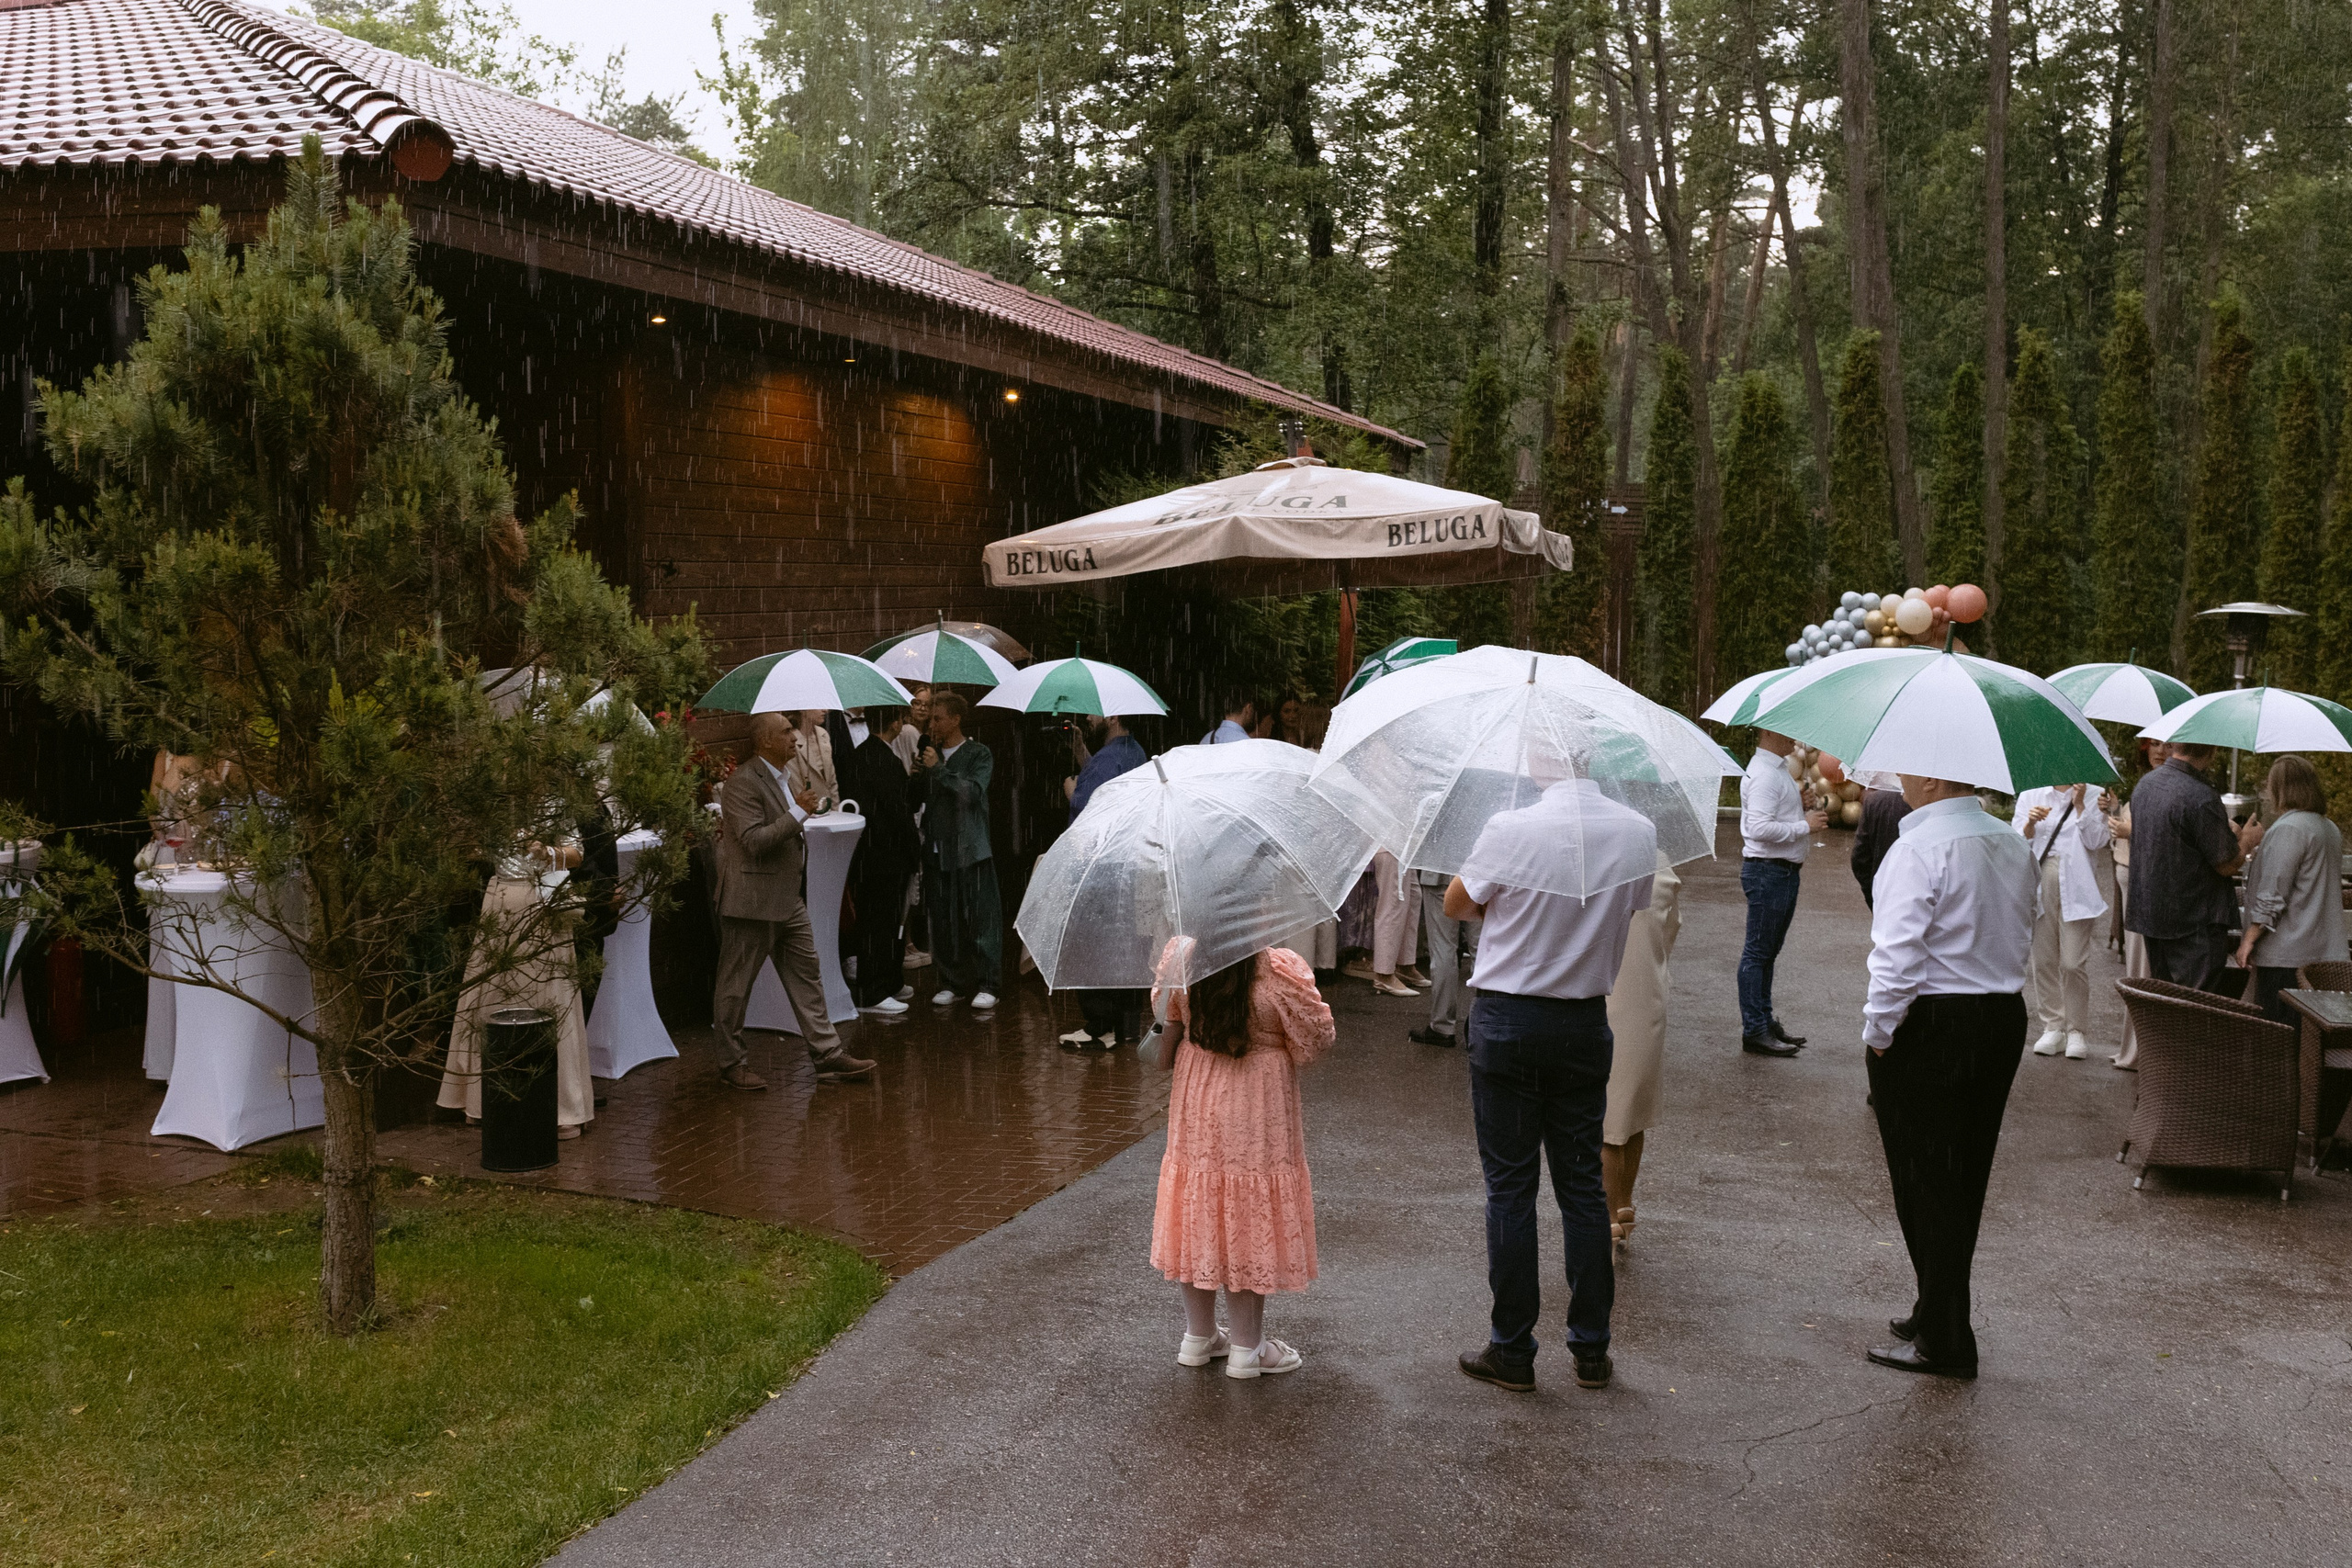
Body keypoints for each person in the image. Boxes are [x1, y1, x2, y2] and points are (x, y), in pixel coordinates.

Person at [1447, 774, 1657, 1395]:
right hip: (1584, 1019)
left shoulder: (1509, 828)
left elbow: (1457, 901)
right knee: (1583, 1188)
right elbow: (1627, 905)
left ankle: (1512, 1348)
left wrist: (1508, 898)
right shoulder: (1636, 832)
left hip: (1509, 1017)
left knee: (1510, 1187)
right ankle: (1591, 1348)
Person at [1860, 773, 2038, 1380]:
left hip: (1932, 1019)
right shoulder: (2011, 841)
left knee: (1925, 1179)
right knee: (1963, 1173)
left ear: (1933, 777)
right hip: (1998, 1013)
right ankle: (1937, 1309)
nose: (1898, 778)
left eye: (1907, 767)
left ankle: (1943, 1335)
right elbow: (2024, 924)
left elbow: (1896, 955)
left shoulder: (1917, 848)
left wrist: (1879, 1032)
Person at [1152, 940, 1336, 1380]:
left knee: (1199, 1203)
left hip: (1197, 1090)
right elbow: (1317, 1038)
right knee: (1249, 1213)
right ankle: (1247, 1349)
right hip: (1259, 1099)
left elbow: (1164, 1021)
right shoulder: (1279, 969)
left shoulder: (1181, 957)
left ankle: (1198, 1337)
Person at [710, 712, 876, 1089]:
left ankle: (828, 1054)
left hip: (787, 899)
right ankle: (731, 1064)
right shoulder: (741, 783)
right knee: (735, 988)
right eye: (786, 732)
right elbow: (754, 840)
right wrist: (799, 811)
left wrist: (800, 809)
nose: (795, 739)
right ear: (765, 740)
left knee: (808, 976)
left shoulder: (784, 778)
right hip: (750, 902)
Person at [439, 827, 596, 1138]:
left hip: (543, 905)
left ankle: (562, 1109)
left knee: (551, 997)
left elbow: (577, 854)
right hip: (498, 905)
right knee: (489, 999)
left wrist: (547, 853)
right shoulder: (495, 799)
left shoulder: (555, 797)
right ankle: (484, 1101)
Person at [2124, 742, 2262, 993]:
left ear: (2175, 746)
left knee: (2164, 1002)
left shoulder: (2146, 785)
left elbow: (2172, 838)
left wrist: (2223, 831)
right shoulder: (2200, 795)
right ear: (2212, 751)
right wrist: (2247, 841)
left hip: (2153, 915)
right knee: (2194, 1009)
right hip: (2194, 922)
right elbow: (2227, 864)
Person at [1602, 853, 1682, 1250]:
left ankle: (1607, 1214)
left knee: (1606, 1121)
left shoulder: (1594, 861)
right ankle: (1625, 1205)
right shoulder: (1659, 860)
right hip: (1648, 993)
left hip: (1606, 991)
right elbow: (1672, 928)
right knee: (1632, 1114)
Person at [1059, 714, 1149, 1049]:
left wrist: (1072, 793)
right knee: (1122, 944)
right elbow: (1110, 786)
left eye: (1094, 711)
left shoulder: (1110, 758)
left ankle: (1099, 1026)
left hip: (1097, 868)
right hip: (1124, 865)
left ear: (1111, 715)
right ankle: (1123, 1026)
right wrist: (1082, 750)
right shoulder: (1132, 751)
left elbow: (1091, 810)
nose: (1087, 716)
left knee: (1091, 943)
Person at [2235, 756, 2346, 1022]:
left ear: (2280, 788)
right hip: (2324, 954)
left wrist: (2249, 938)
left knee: (2280, 1037)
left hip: (2285, 955)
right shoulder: (2328, 827)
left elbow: (2273, 894)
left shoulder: (2288, 829)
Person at [1737, 730, 1826, 1056]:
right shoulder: (1764, 774)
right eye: (1785, 729)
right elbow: (1758, 828)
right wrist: (1805, 824)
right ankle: (1755, 1029)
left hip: (1780, 872)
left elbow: (1772, 815)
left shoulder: (1775, 770)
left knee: (1767, 953)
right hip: (1768, 872)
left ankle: (1763, 1020)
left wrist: (1796, 805)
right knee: (1758, 954)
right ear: (1769, 733)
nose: (1793, 735)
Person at [2014, 779, 2114, 1059]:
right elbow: (2017, 842)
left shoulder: (2095, 794)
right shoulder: (2031, 793)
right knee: (2044, 959)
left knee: (2072, 963)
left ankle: (2076, 1030)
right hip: (2040, 880)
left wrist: (2081, 804)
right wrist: (2030, 825)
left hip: (2078, 885)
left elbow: (2098, 841)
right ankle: (2052, 1027)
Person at [919, 692, 1001, 1010]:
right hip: (939, 849)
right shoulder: (929, 754)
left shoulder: (979, 753)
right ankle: (952, 980)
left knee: (980, 918)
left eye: (938, 718)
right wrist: (920, 774)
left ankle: (989, 983)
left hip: (971, 848)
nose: (933, 724)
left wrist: (939, 770)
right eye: (931, 718)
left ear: (956, 719)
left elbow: (972, 792)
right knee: (945, 918)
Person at [843, 706, 920, 1018]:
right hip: (884, 855)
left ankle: (889, 979)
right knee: (881, 922)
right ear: (896, 723)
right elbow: (900, 810)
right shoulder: (883, 758)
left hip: (870, 853)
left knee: (884, 920)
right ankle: (872, 989)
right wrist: (913, 849)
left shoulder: (861, 754)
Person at [2106, 741, 2164, 1068]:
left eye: (2168, 744)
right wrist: (2114, 812)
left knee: (2142, 968)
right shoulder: (2147, 786)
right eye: (2153, 744)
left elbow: (2158, 836)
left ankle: (2140, 1051)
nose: (2159, 750)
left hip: (2145, 884)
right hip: (2130, 877)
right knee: (2136, 966)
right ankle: (2135, 1047)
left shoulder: (2159, 788)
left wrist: (2130, 830)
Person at [1409, 864, 1477, 1048]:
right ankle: (1482, 1023)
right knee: (1481, 951)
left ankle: (1442, 1026)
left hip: (1441, 872)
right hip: (1479, 871)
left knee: (1443, 950)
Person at [1849, 780, 1908, 908]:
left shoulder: (1875, 801)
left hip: (1883, 895)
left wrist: (1874, 898)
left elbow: (1860, 859)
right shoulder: (1937, 806)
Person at [783, 709, 838, 811]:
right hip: (809, 816)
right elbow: (796, 788)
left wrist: (836, 812)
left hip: (830, 813)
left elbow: (832, 781)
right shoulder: (791, 740)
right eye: (817, 705)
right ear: (802, 710)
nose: (825, 710)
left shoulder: (823, 734)